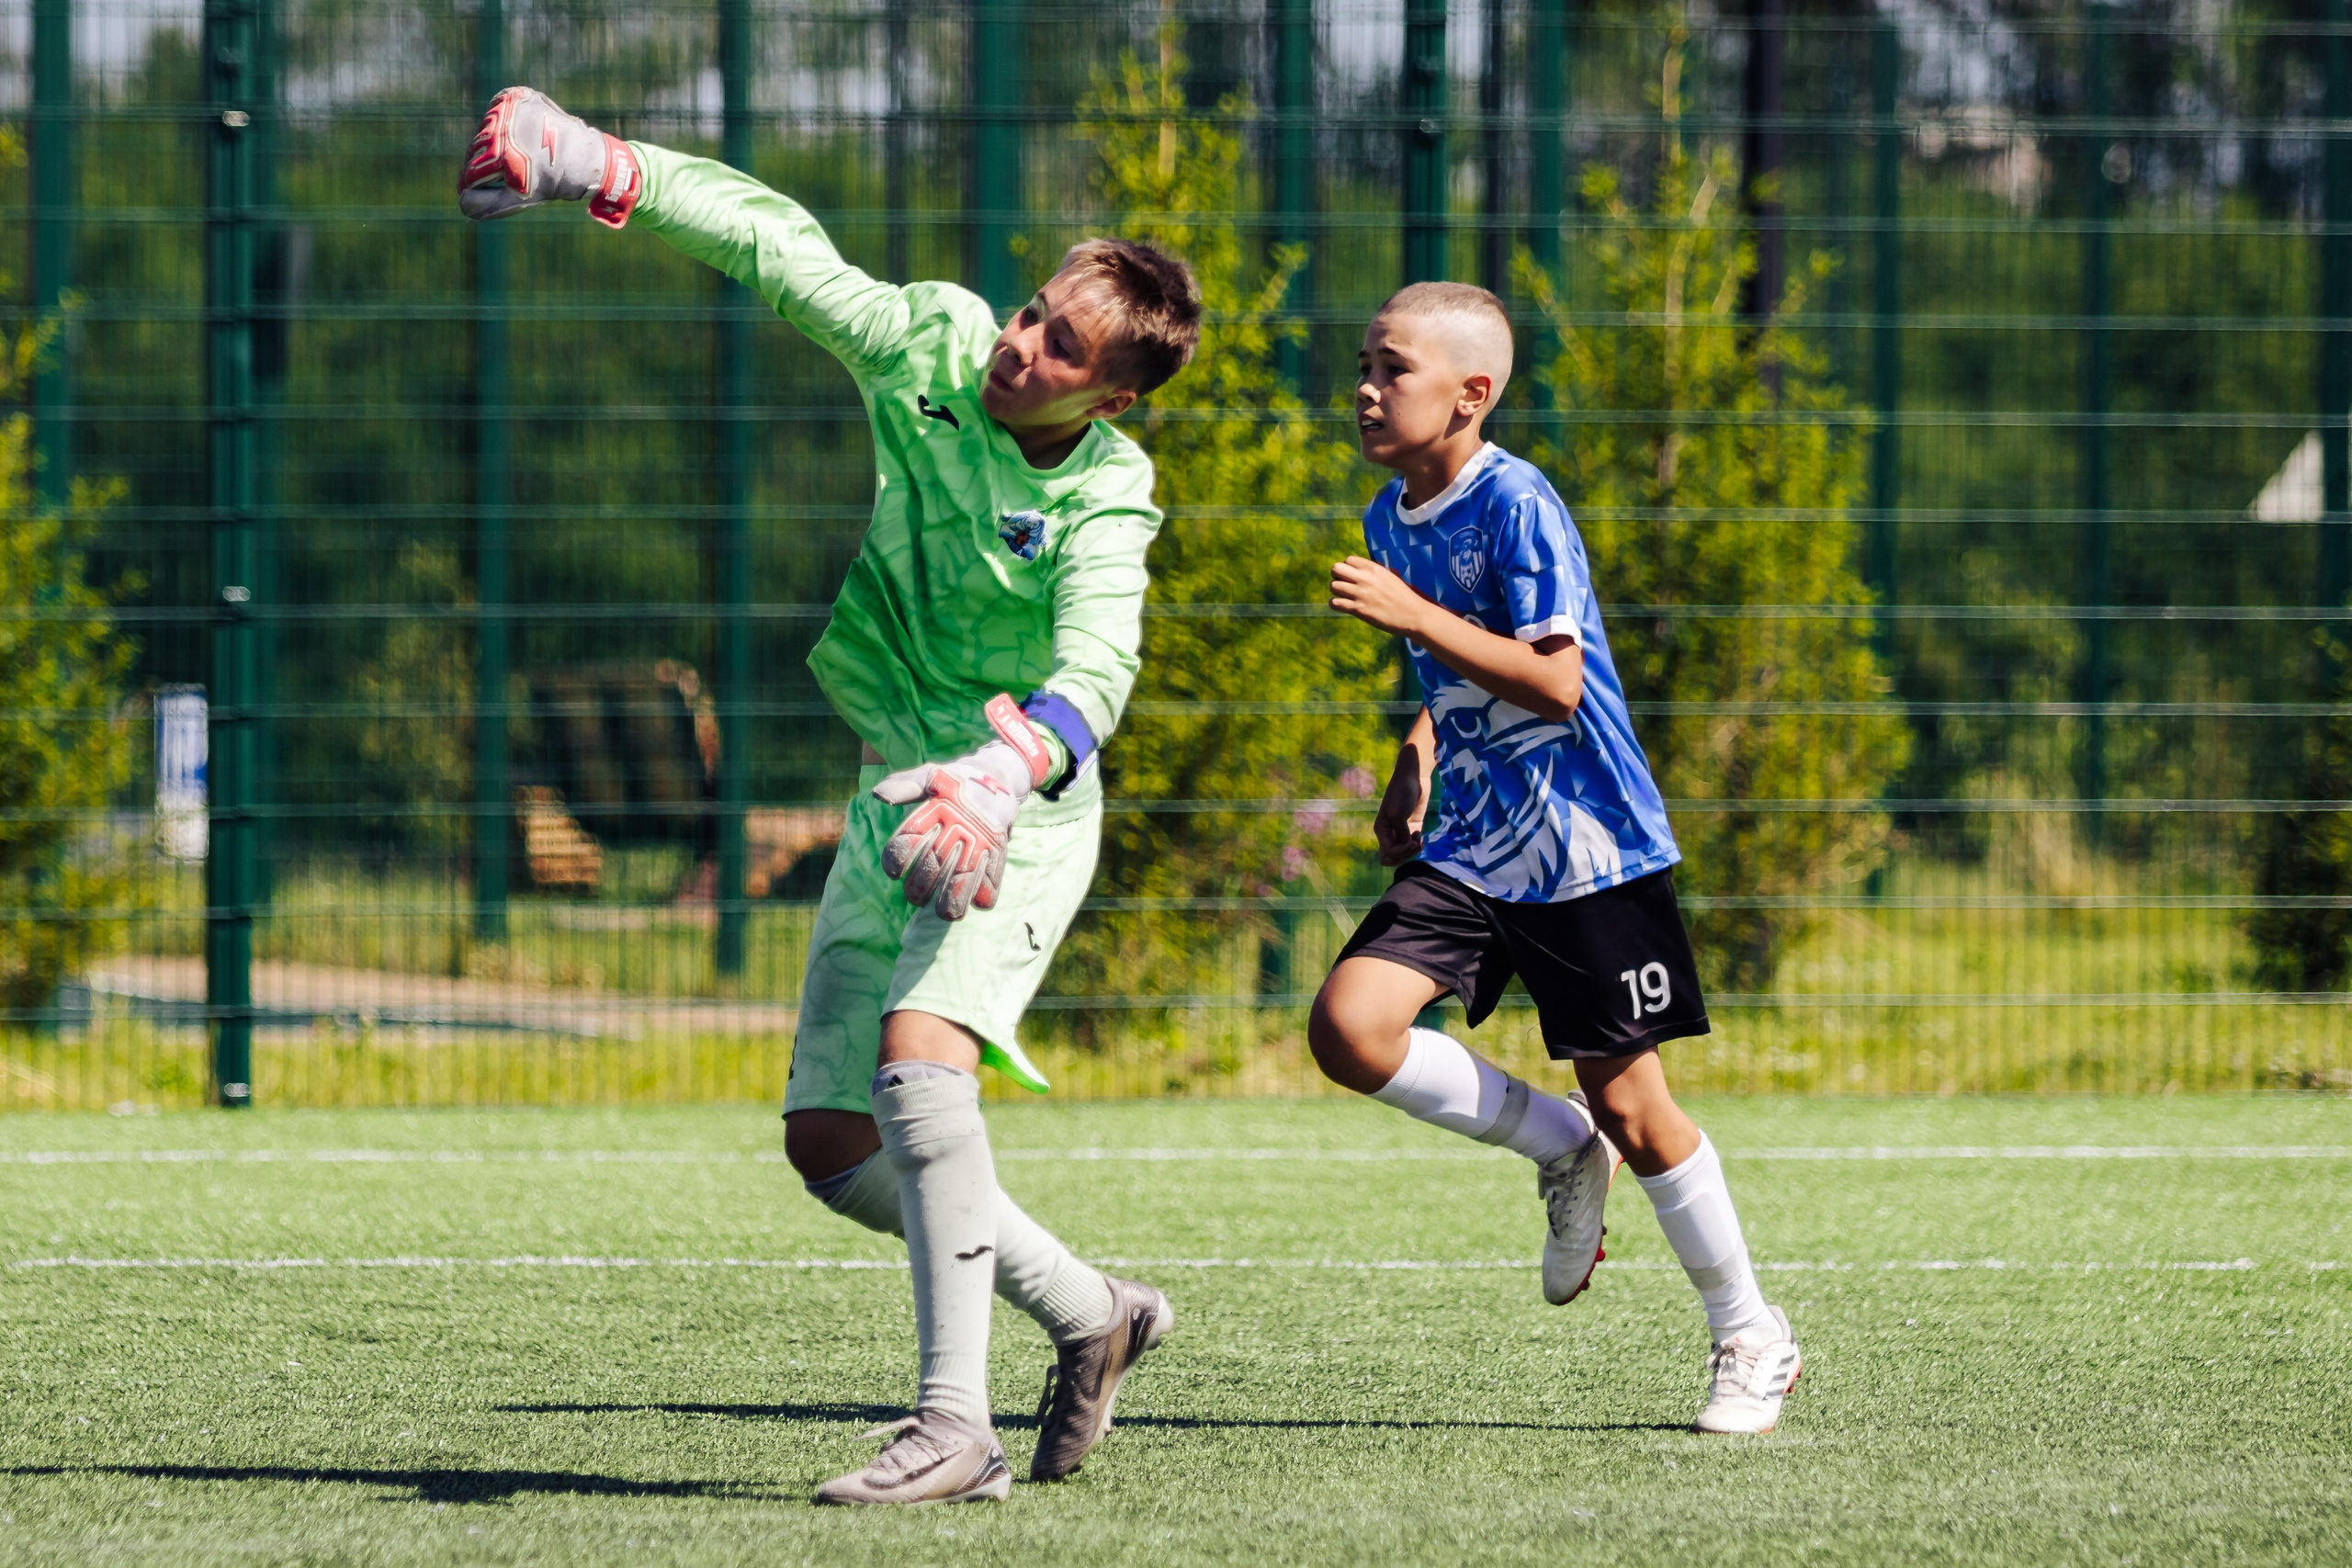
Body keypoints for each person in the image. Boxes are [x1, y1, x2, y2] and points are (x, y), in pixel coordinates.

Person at [458, 88, 1201, 1502]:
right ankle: (1097, 1310)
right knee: (831, 1141)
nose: (1018, 345)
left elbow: (1096, 671)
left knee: (924, 1054)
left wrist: (997, 773)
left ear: (1109, 396)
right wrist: (598, 166)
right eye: (1035, 308)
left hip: (1017, 807)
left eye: (1060, 347)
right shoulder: (930, 346)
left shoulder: (1113, 495)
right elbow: (781, 252)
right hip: (892, 786)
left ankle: (953, 1428)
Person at [1311, 281, 1803, 1435]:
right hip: (1478, 839)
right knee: (1351, 1028)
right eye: (1365, 364)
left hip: (1586, 845)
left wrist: (1413, 619)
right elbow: (1456, 680)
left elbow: (1554, 679)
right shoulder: (1393, 515)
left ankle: (1750, 1333)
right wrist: (1416, 752)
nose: (1365, 388)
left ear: (1470, 395)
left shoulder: (1519, 502)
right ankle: (1558, 1149)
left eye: (1392, 369)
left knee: (1636, 1104)